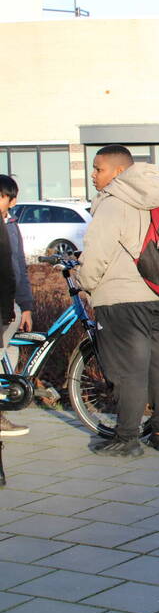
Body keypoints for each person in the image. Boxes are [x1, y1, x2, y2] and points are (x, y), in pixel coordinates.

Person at [79, 145, 159, 457]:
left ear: (119, 172)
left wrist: (85, 283)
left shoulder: (114, 202)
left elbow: (97, 253)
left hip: (123, 298)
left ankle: (127, 440)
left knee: (128, 371)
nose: (93, 175)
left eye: (99, 169)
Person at [0, 176, 25, 437]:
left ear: (12, 200)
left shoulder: (12, 226)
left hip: (11, 302)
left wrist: (25, 306)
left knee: (10, 351)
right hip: (2, 304)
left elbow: (19, 268)